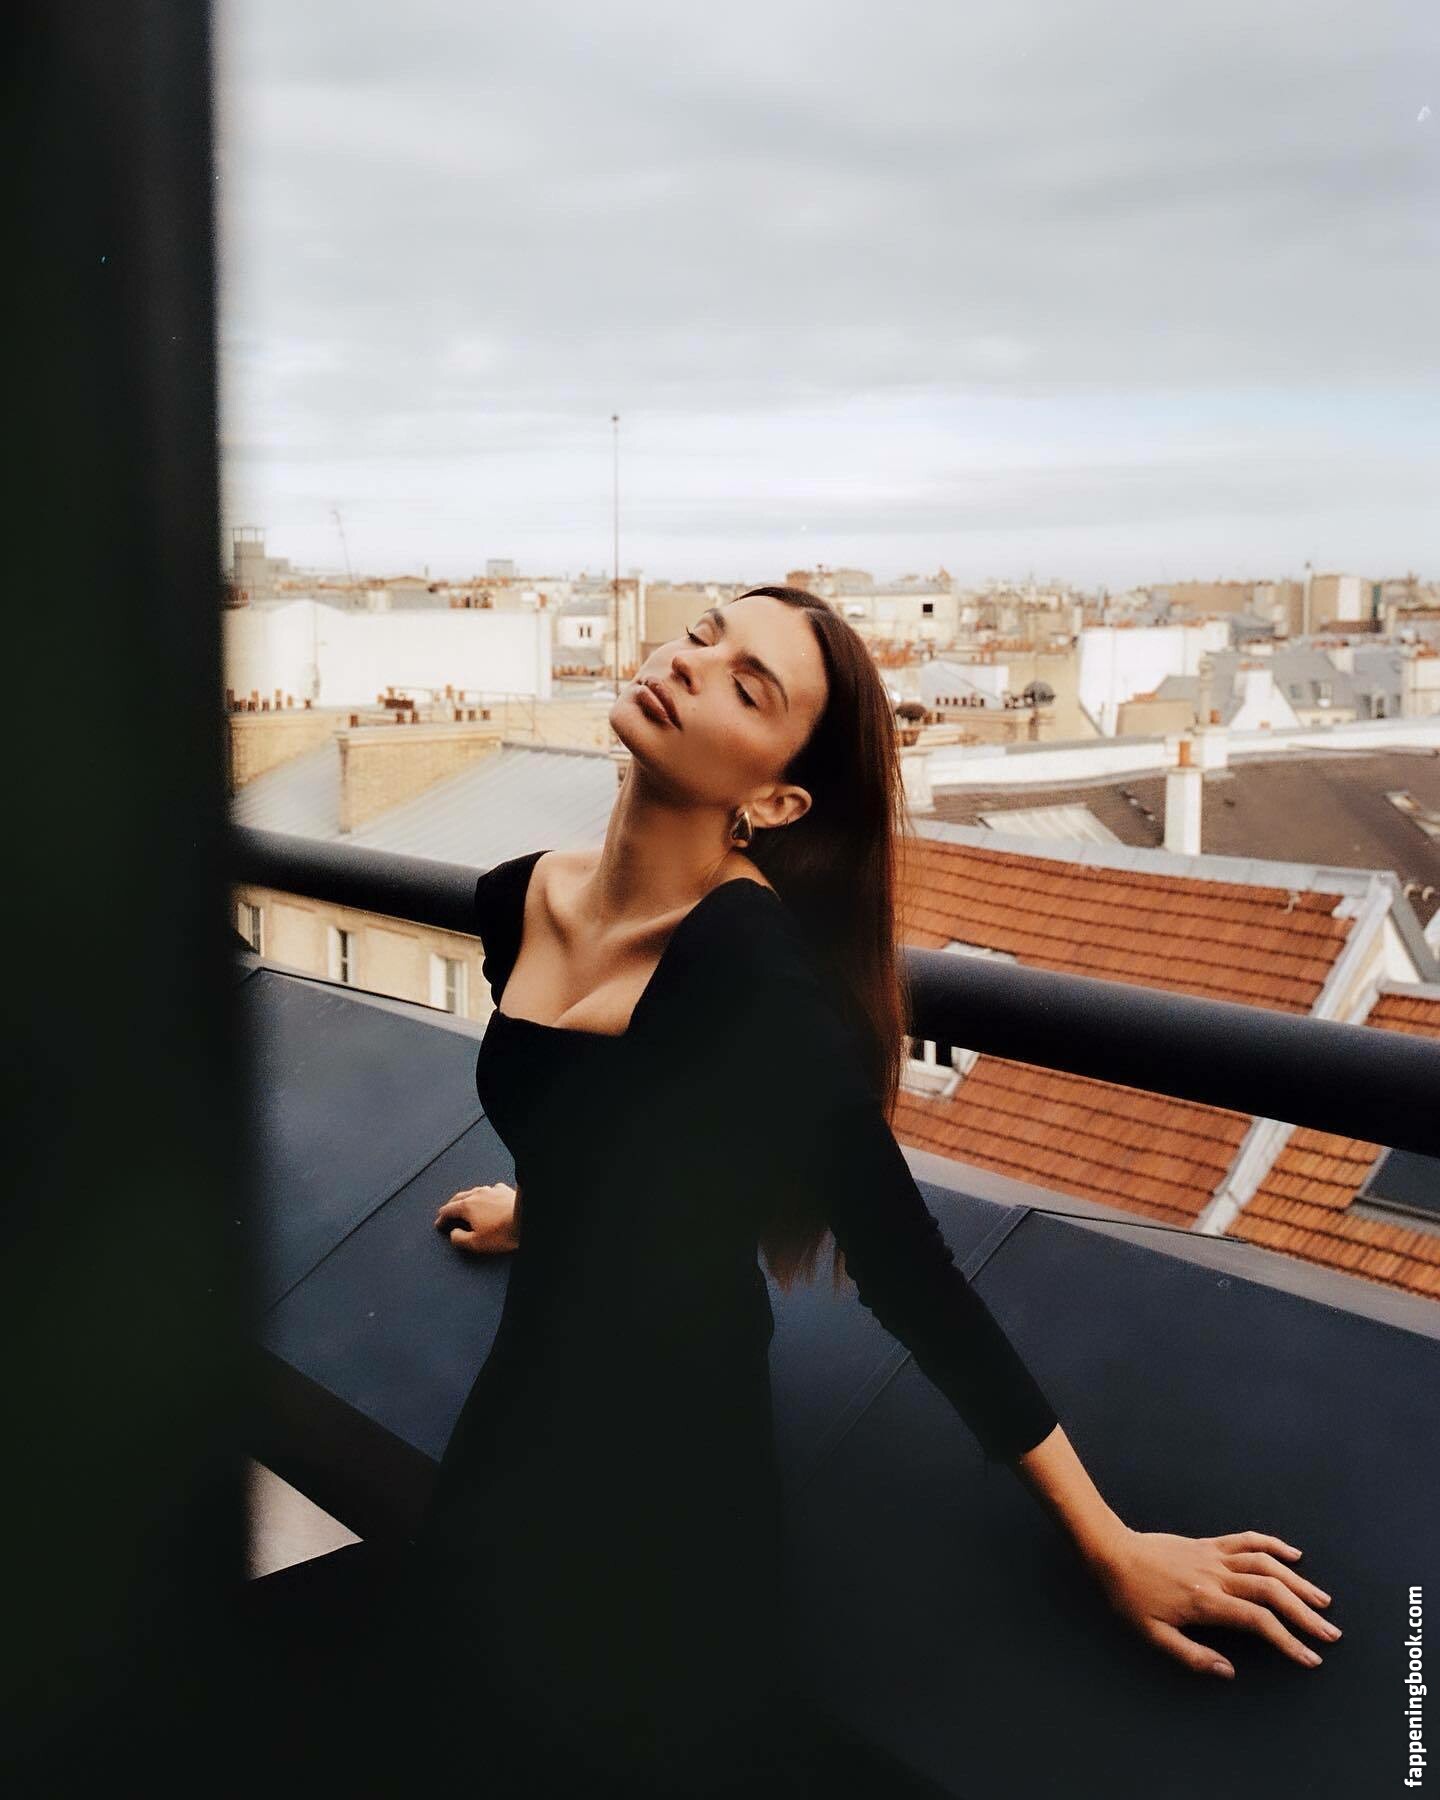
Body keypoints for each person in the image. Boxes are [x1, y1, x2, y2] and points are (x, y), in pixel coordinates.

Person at [301, 586, 1340, 1797]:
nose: (693, 666)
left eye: (749, 688)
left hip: (670, 1466)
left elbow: (913, 1275)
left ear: (779, 801)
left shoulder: (754, 983)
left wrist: (1111, 1544)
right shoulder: (515, 896)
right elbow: (575, 1105)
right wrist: (540, 1209)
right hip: (520, 1405)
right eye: (703, 636)